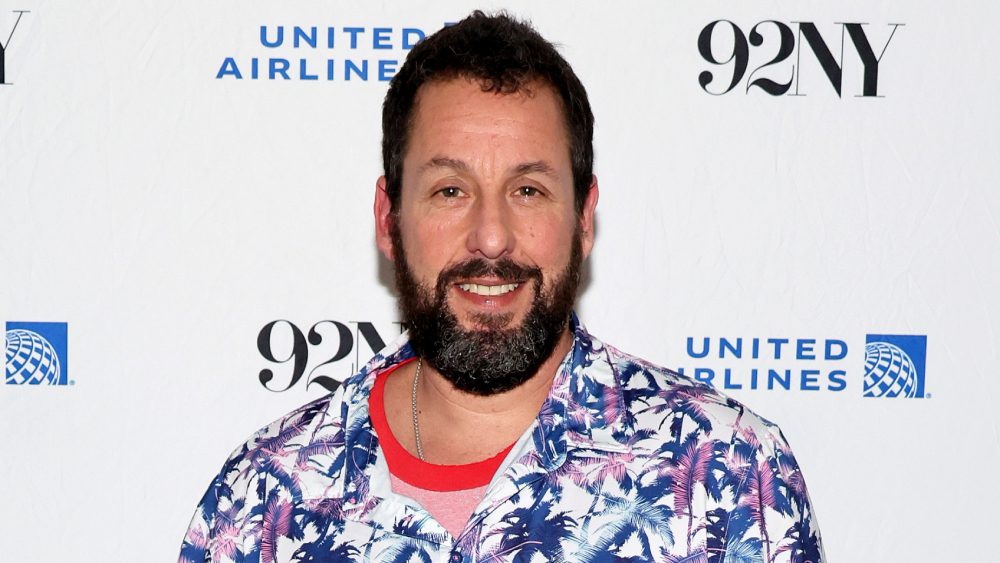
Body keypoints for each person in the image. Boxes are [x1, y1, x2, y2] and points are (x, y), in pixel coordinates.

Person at [179, 11, 825, 563]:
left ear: (583, 218)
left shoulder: (735, 477)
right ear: (388, 218)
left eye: (527, 190)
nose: (491, 238)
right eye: (450, 190)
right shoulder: (262, 501)